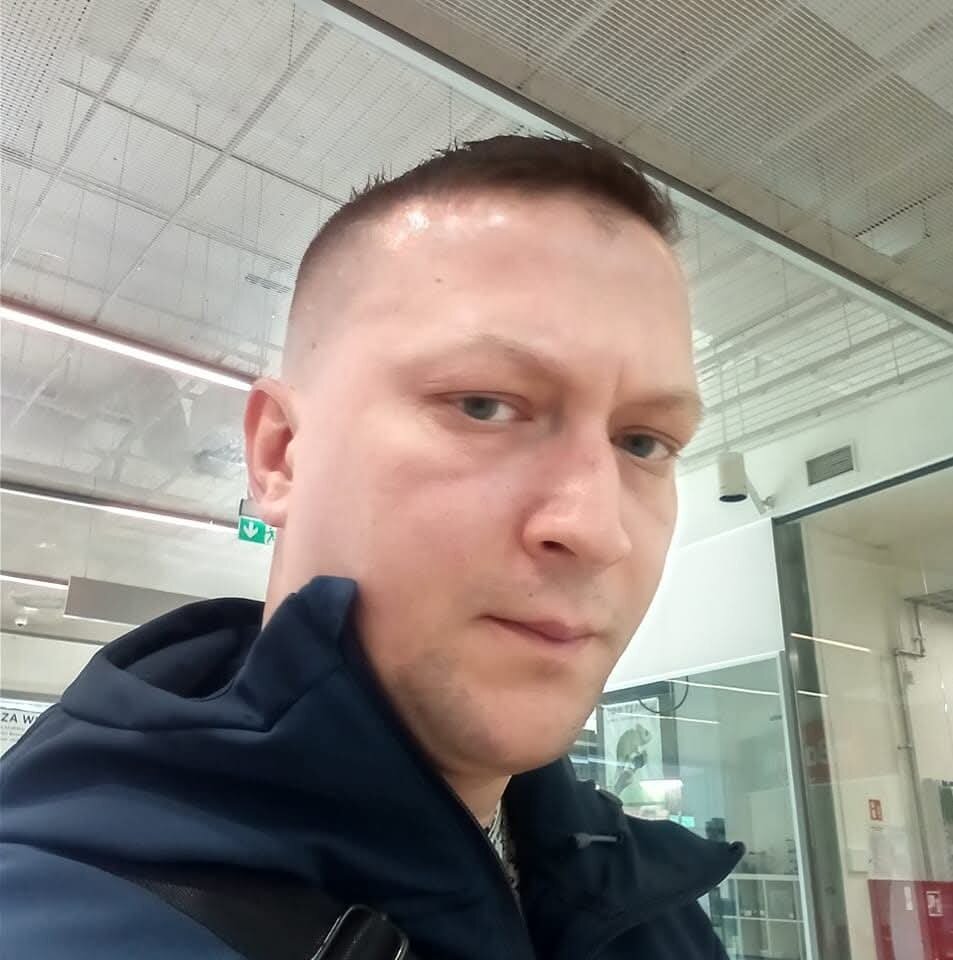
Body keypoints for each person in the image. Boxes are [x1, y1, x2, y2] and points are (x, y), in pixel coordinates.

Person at [0, 135, 742, 959]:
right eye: (483, 405)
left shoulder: (649, 912)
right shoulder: (55, 925)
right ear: (281, 454)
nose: (597, 531)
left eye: (642, 443)